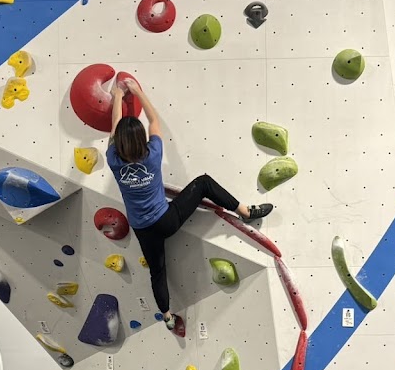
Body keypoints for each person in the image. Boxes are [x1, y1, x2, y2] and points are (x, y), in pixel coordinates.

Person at [106, 79, 273, 330]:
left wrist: (118, 96)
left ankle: (167, 317)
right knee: (203, 183)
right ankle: (245, 211)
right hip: (166, 220)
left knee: (157, 272)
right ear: (142, 139)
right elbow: (154, 121)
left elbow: (114, 129)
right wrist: (137, 91)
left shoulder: (114, 160)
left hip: (142, 229)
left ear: (119, 142)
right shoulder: (152, 154)